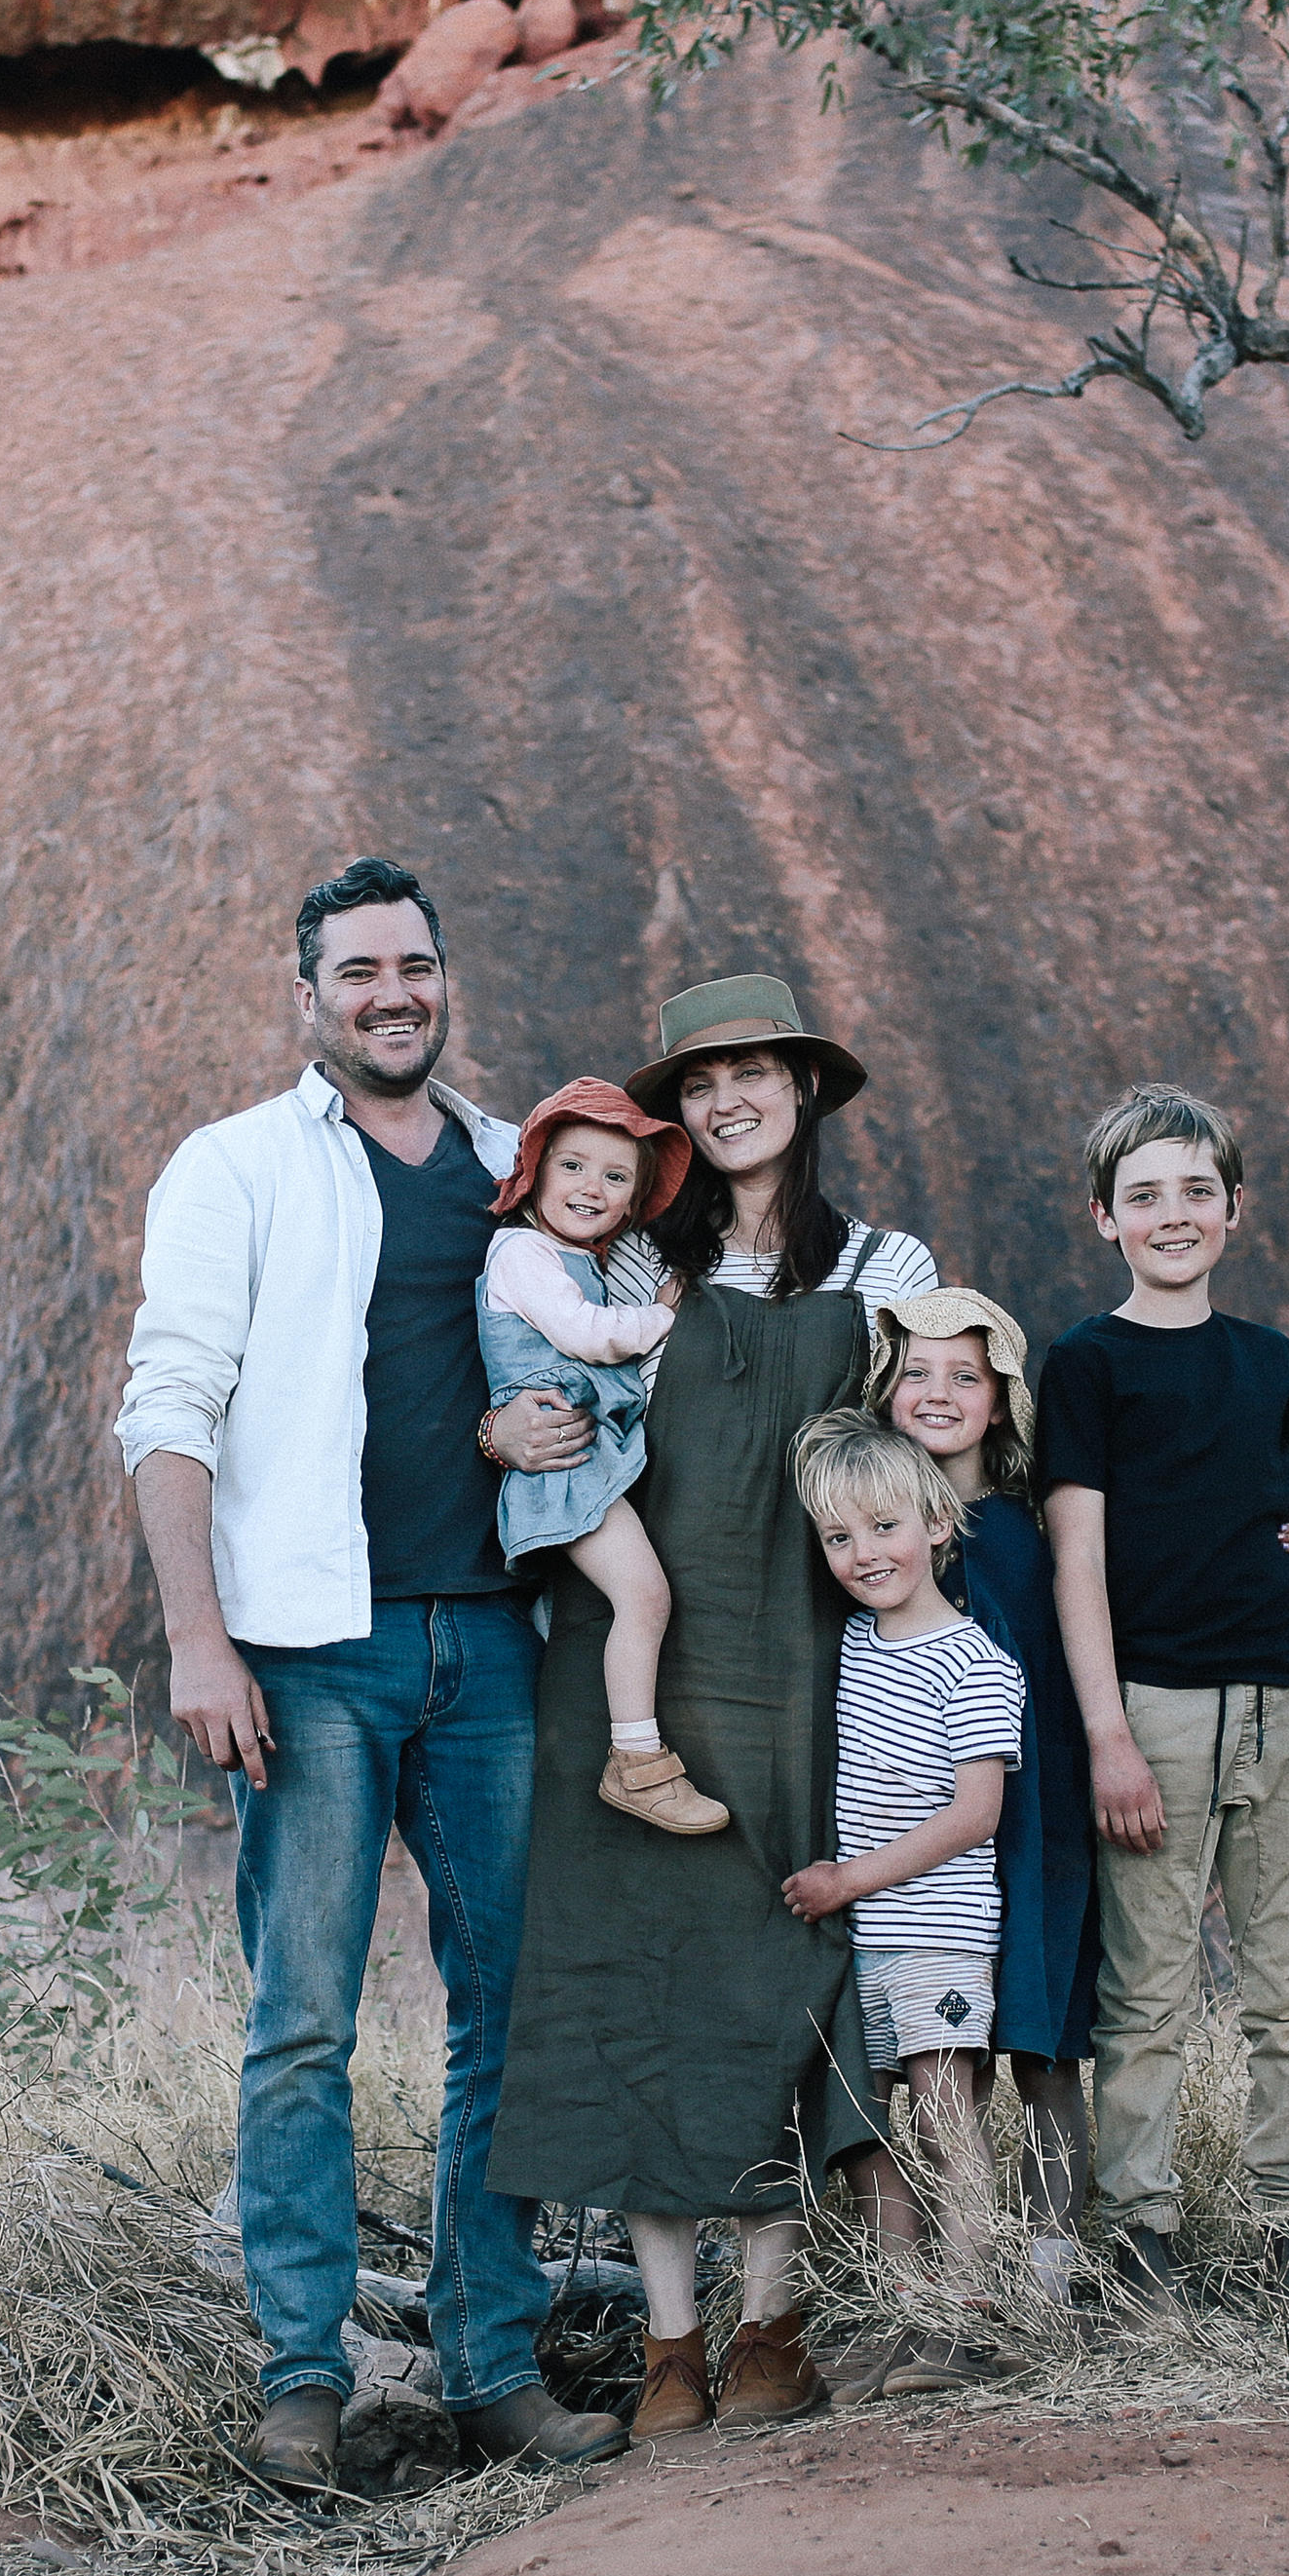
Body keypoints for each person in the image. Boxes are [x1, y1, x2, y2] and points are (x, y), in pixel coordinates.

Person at [113, 857, 630, 2494]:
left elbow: (573, 1357)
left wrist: (524, 1434)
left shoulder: (507, 1166)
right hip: (312, 1651)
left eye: (415, 963)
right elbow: (168, 1403)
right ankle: (302, 2377)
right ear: (311, 995)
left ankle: (492, 2362)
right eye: (359, 970)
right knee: (304, 2020)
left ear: (443, 977)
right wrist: (200, 1635)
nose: (392, 991)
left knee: (507, 2009)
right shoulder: (240, 1167)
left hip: (491, 1636)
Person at [487, 972, 944, 2440]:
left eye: (753, 1069)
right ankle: (669, 2346)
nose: (726, 1098)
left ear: (804, 1087)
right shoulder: (622, 1262)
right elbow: (523, 1383)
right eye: (700, 1080)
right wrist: (502, 1426)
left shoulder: (886, 1262)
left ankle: (774, 2324)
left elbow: (948, 1435)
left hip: (804, 1668)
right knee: (629, 1975)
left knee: (772, 1971)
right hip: (622, 1668)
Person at [1041, 1082, 1289, 2314]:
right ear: (1102, 1217)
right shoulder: (1085, 1364)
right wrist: (1107, 1737)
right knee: (1146, 1997)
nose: (1171, 1214)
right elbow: (1076, 1559)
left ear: (1233, 1210)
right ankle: (1135, 2244)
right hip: (1157, 1710)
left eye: (1195, 1191)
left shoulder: (1270, 1361)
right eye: (1144, 1196)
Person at [862, 1287, 1098, 2336]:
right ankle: (936, 2285)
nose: (938, 1392)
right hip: (919, 1835)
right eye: (915, 1371)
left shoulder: (1035, 1522)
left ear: (1002, 1400)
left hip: (1035, 1814)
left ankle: (1045, 2283)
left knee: (1043, 2050)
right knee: (934, 2061)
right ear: (883, 1388)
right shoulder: (873, 1529)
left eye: (965, 1374)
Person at [779, 1408, 1027, 2392]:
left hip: (936, 1932)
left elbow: (973, 1815)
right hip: (861, 1946)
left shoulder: (971, 1660)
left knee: (943, 2118)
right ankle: (908, 2313)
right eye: (837, 1537)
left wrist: (847, 1880)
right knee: (867, 2139)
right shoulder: (846, 1648)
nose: (861, 1553)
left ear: (935, 1522)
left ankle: (973, 2311)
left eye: (882, 1527)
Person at [475, 1078, 730, 1837]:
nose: (593, 1187)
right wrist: (661, 1316)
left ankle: (623, 1746)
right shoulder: (521, 1251)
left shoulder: (570, 1255)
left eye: (615, 1177)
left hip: (592, 1452)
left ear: (631, 1204)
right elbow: (587, 1334)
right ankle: (637, 1761)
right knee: (644, 1598)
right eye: (574, 1167)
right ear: (535, 1174)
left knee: (607, 1607)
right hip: (567, 1460)